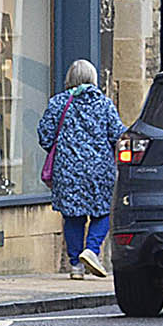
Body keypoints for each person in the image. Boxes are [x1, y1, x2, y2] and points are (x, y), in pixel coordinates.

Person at [37, 61, 123, 277]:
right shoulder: (104, 104)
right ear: (93, 78)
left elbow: (44, 134)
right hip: (99, 168)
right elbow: (117, 135)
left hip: (67, 169)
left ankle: (75, 265)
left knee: (72, 216)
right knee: (102, 211)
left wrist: (65, 151)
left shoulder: (58, 103)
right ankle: (92, 250)